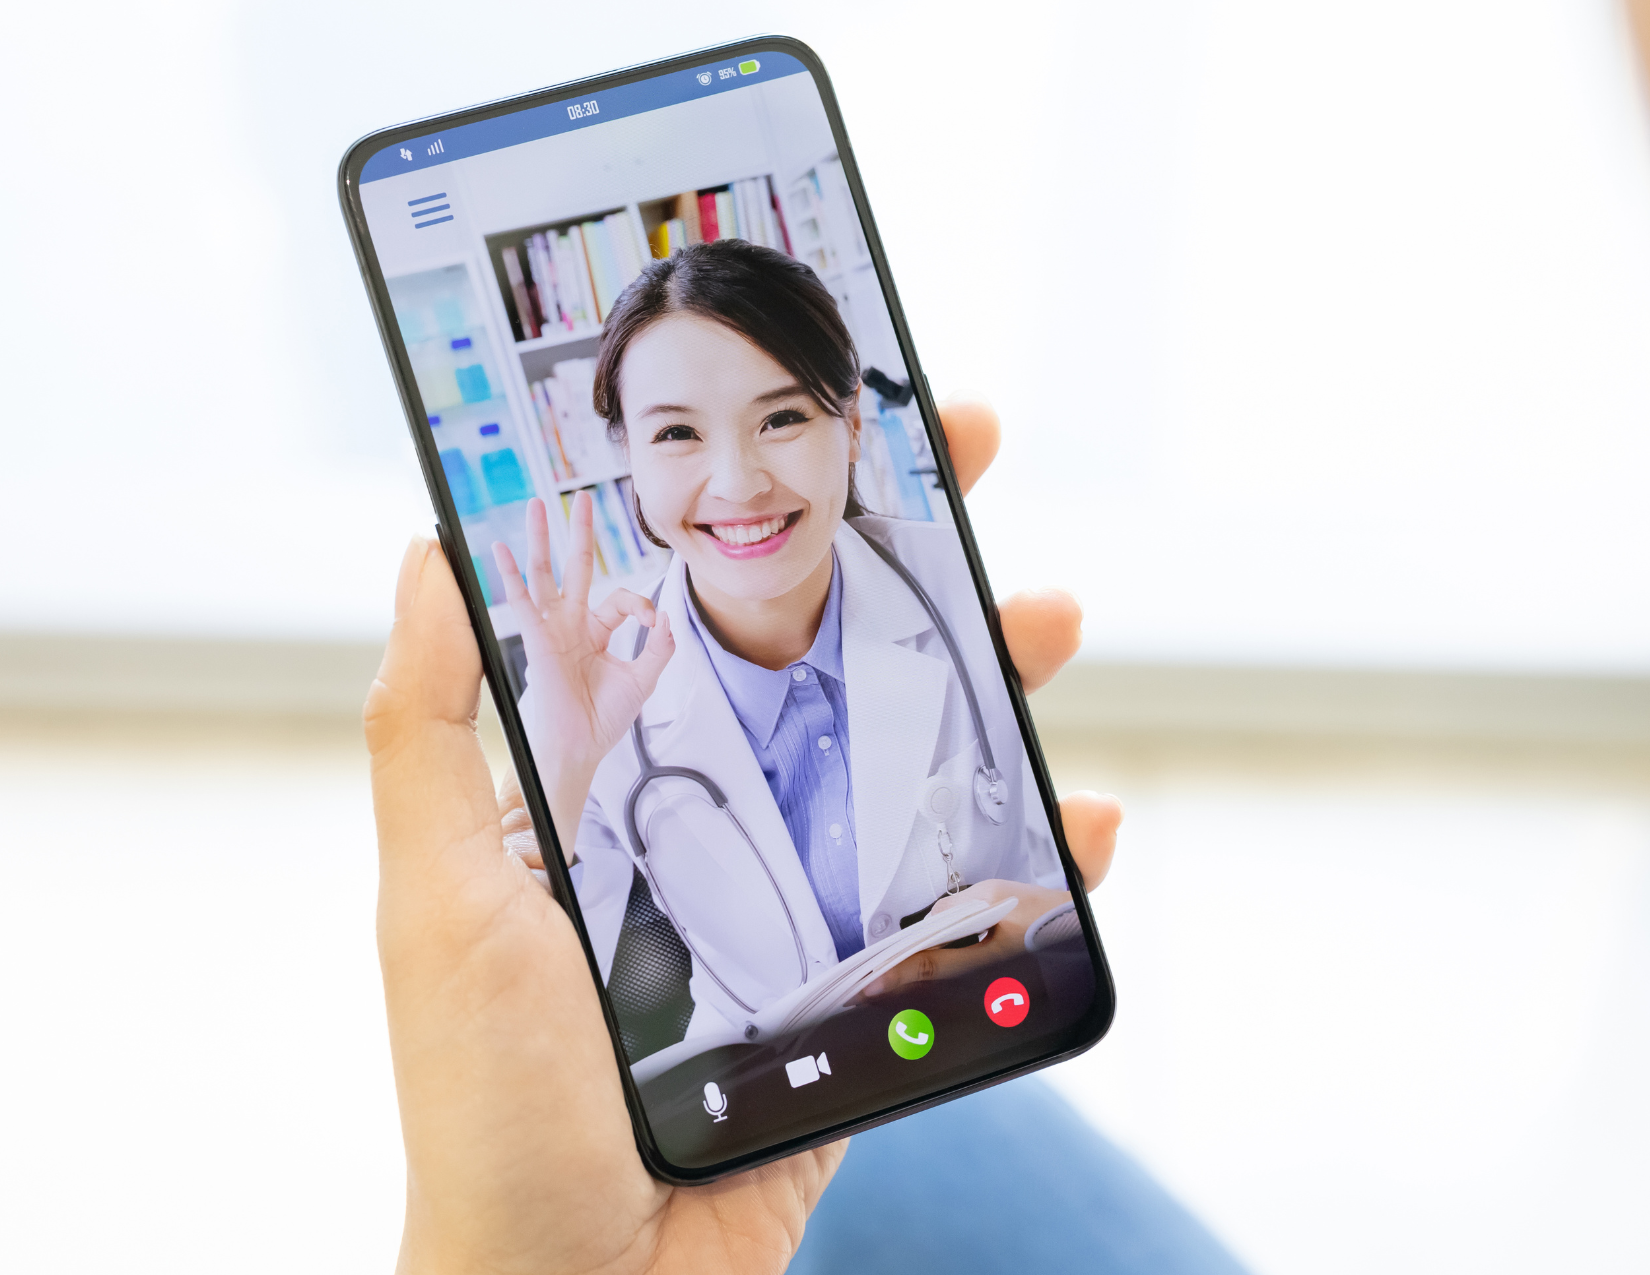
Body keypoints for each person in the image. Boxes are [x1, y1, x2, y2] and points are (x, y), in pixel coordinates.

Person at [490, 241, 1079, 1057]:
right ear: (627, 460)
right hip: (753, 1101)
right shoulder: (584, 689)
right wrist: (561, 764)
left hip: (990, 1040)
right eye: (677, 434)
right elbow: (529, 1006)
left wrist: (1049, 923)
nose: (736, 483)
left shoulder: (957, 590)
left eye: (782, 418)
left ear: (852, 426)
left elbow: (1061, 870)